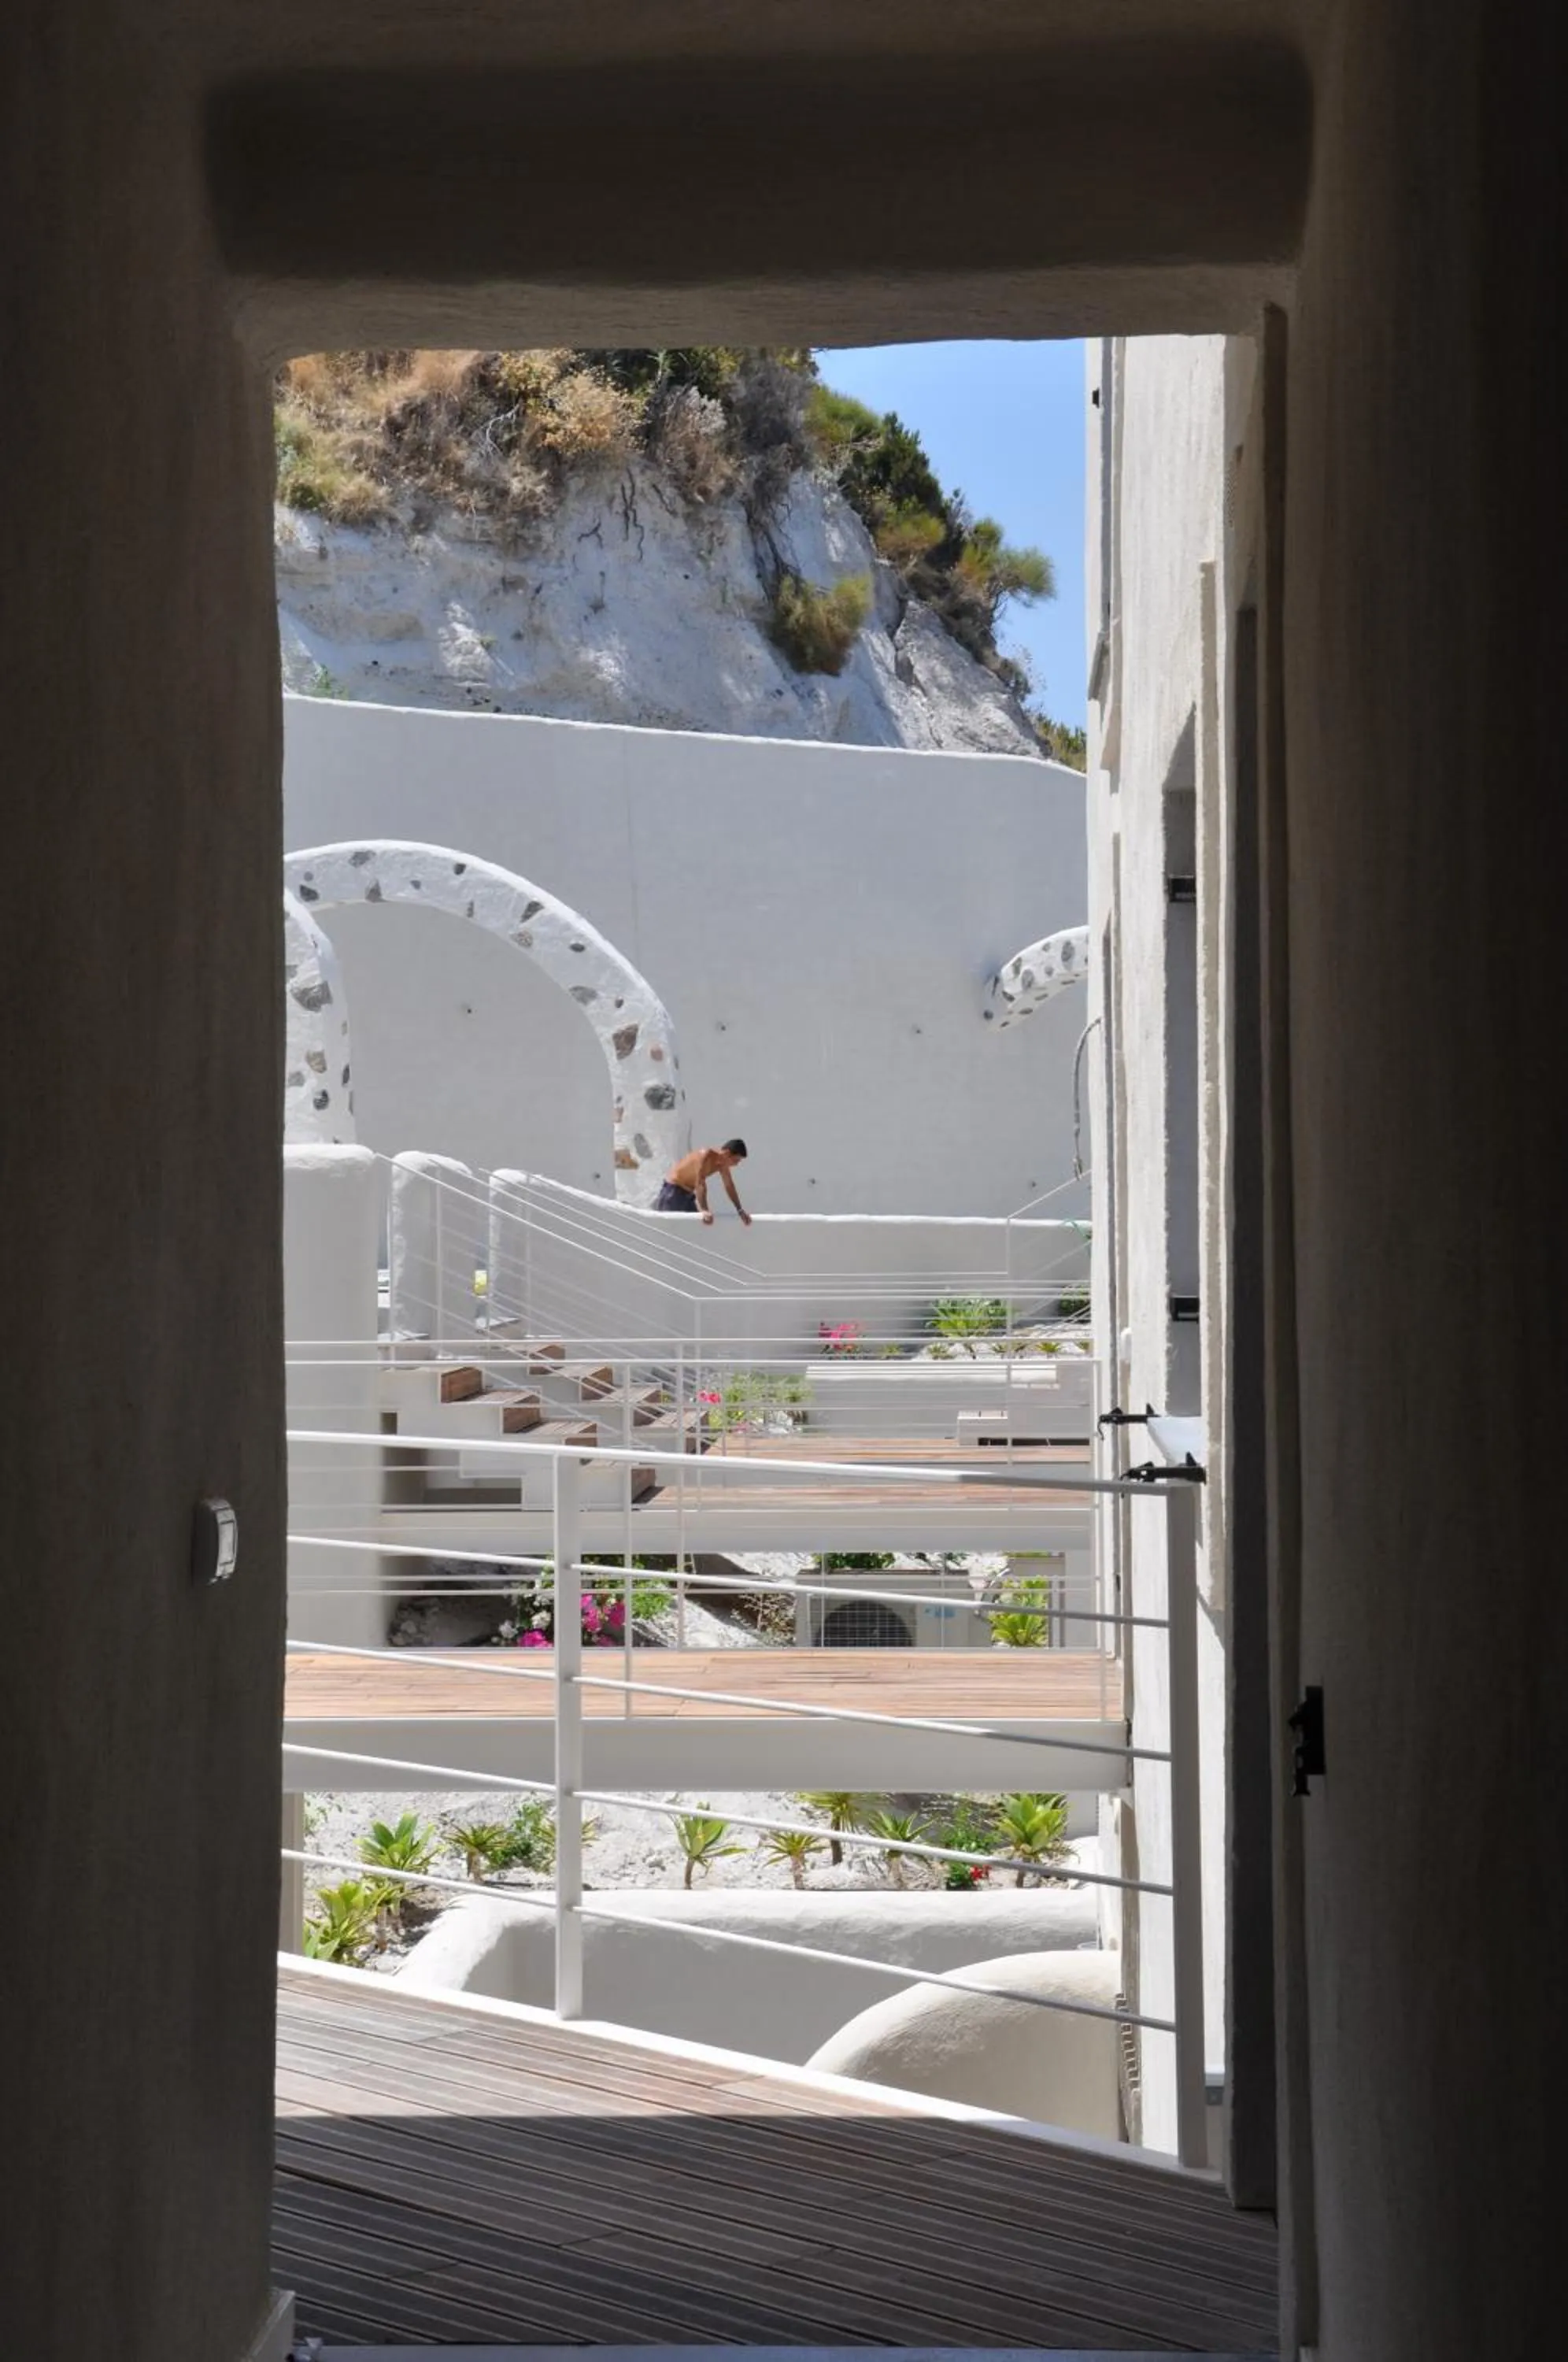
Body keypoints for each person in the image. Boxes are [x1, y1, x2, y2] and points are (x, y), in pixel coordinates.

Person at [655, 1138, 752, 1224]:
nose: (736, 1164)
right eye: (736, 1161)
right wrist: (704, 1209)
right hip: (672, 1192)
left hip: (687, 1195)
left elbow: (729, 1186)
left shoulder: (722, 1165)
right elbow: (700, 1182)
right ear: (727, 1154)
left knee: (695, 1228)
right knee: (669, 1228)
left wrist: (740, 1210)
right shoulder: (706, 1155)